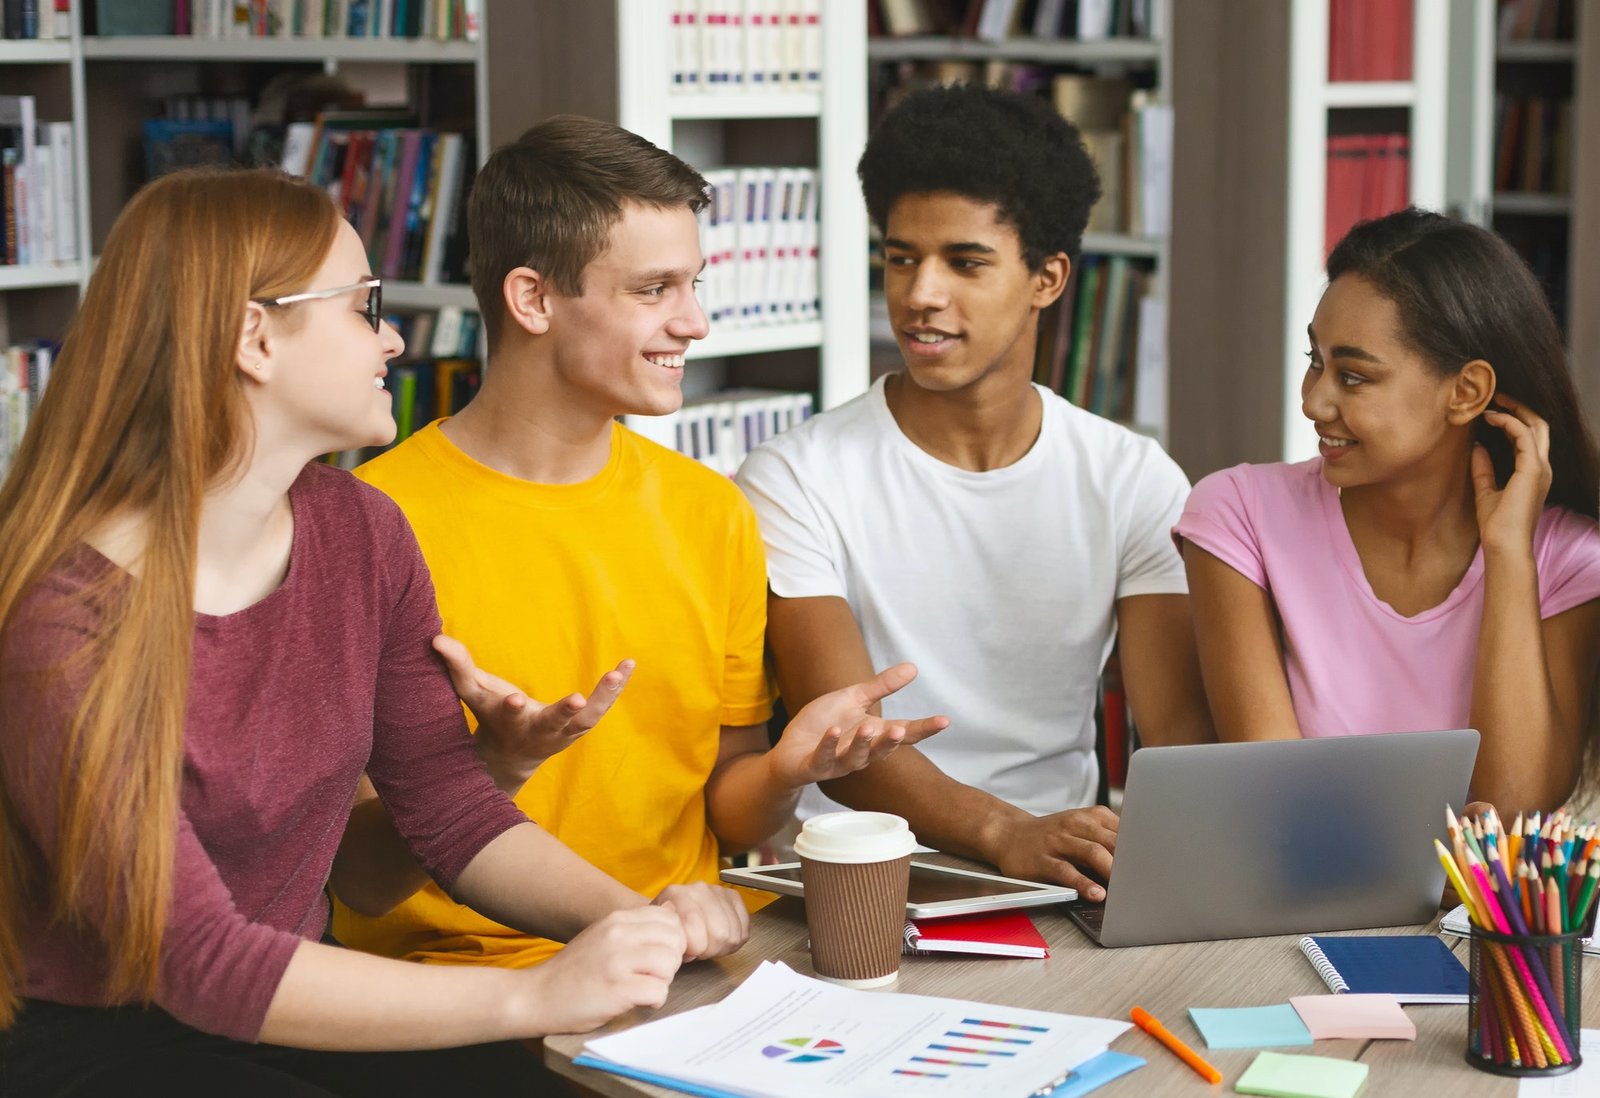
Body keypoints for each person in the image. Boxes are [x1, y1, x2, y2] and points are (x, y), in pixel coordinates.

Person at [0, 167, 768, 1096]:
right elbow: (198, 959)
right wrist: (532, 998)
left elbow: (448, 805)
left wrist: (645, 926)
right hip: (100, 1042)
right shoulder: (57, 616)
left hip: (301, 1010)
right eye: (365, 307)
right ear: (255, 337)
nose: (394, 338)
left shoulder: (359, 532)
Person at [330, 116, 945, 969]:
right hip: (464, 987)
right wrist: (488, 767)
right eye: (655, 290)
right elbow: (356, 877)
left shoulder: (712, 513)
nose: (694, 322)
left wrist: (787, 772)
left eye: (693, 284)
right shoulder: (368, 522)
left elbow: (728, 811)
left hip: (686, 969)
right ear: (533, 299)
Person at [735, 84, 1214, 901]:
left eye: (965, 262)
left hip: (1066, 874)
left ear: (1047, 278)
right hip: (859, 872)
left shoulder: (1133, 479)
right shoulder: (794, 476)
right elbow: (841, 743)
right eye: (900, 257)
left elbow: (1175, 736)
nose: (921, 294)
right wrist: (1001, 830)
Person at [1175, 207, 1600, 814]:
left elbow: (1508, 809)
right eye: (1315, 361)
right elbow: (1280, 804)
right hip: (1304, 908)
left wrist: (1509, 555)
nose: (1314, 401)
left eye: (1353, 377)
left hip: (1467, 915)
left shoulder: (1567, 559)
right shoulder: (1237, 517)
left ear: (1466, 392)